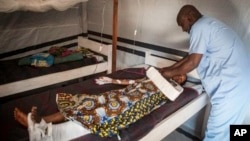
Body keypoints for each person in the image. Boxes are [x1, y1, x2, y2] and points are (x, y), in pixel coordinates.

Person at [160, 4, 250, 141]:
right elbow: (190, 58)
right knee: (231, 133)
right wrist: (169, 69)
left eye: (181, 24)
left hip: (230, 89)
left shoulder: (199, 27)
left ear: (189, 17)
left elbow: (192, 63)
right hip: (241, 86)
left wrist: (168, 75)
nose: (183, 29)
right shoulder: (209, 24)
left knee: (215, 135)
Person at [14, 74, 186, 140]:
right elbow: (131, 82)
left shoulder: (172, 89)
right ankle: (43, 122)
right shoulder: (154, 78)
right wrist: (112, 81)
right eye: (178, 74)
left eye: (183, 78)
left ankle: (52, 133)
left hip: (135, 101)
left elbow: (167, 98)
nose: (179, 77)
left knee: (104, 111)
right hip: (123, 93)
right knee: (89, 102)